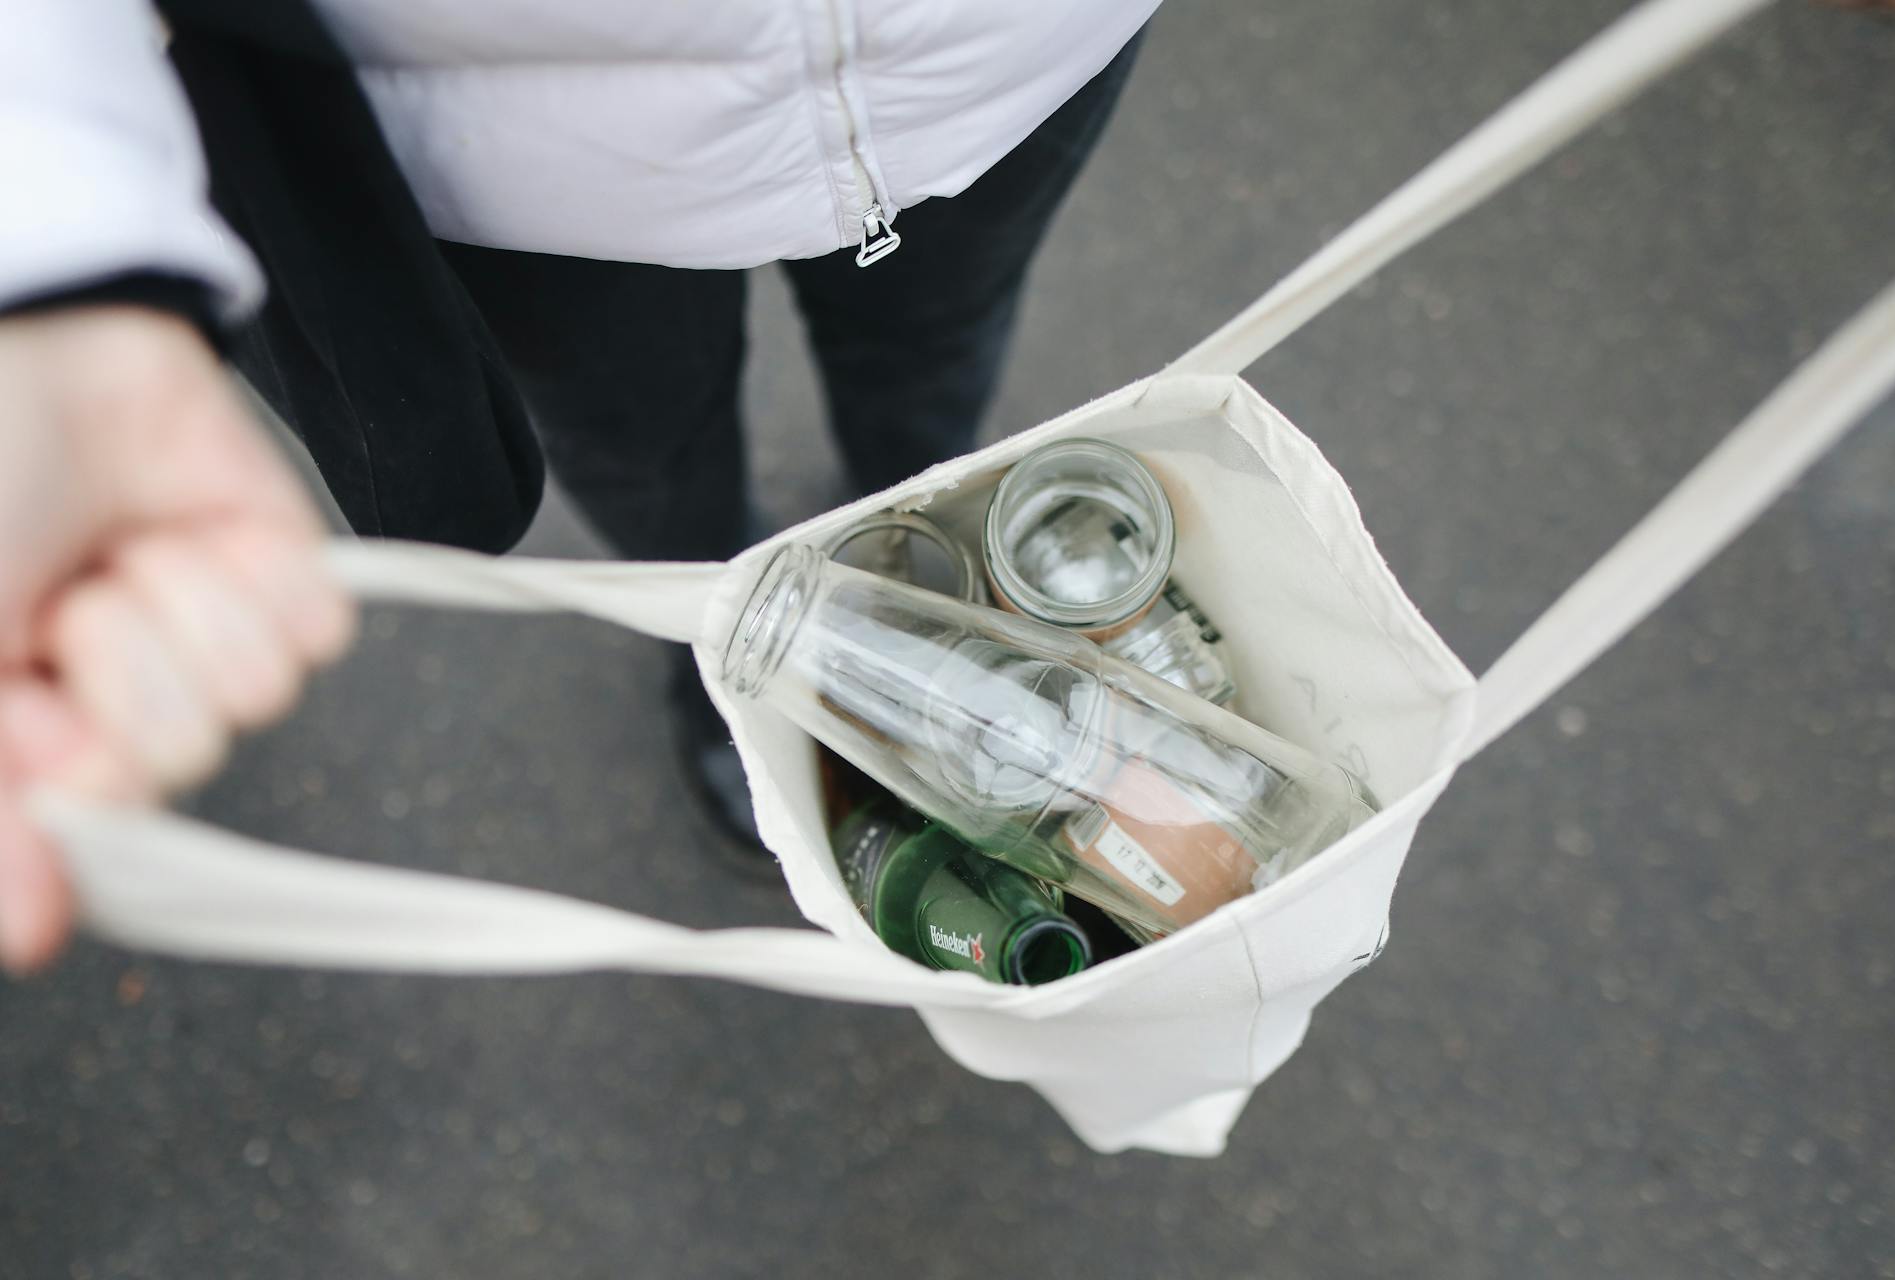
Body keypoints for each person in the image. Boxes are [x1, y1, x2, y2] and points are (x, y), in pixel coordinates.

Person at [0, 0, 1156, 971]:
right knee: (650, 460)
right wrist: (56, 238)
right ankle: (720, 635)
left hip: (1005, 58)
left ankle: (929, 553)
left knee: (936, 373)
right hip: (524, 146)